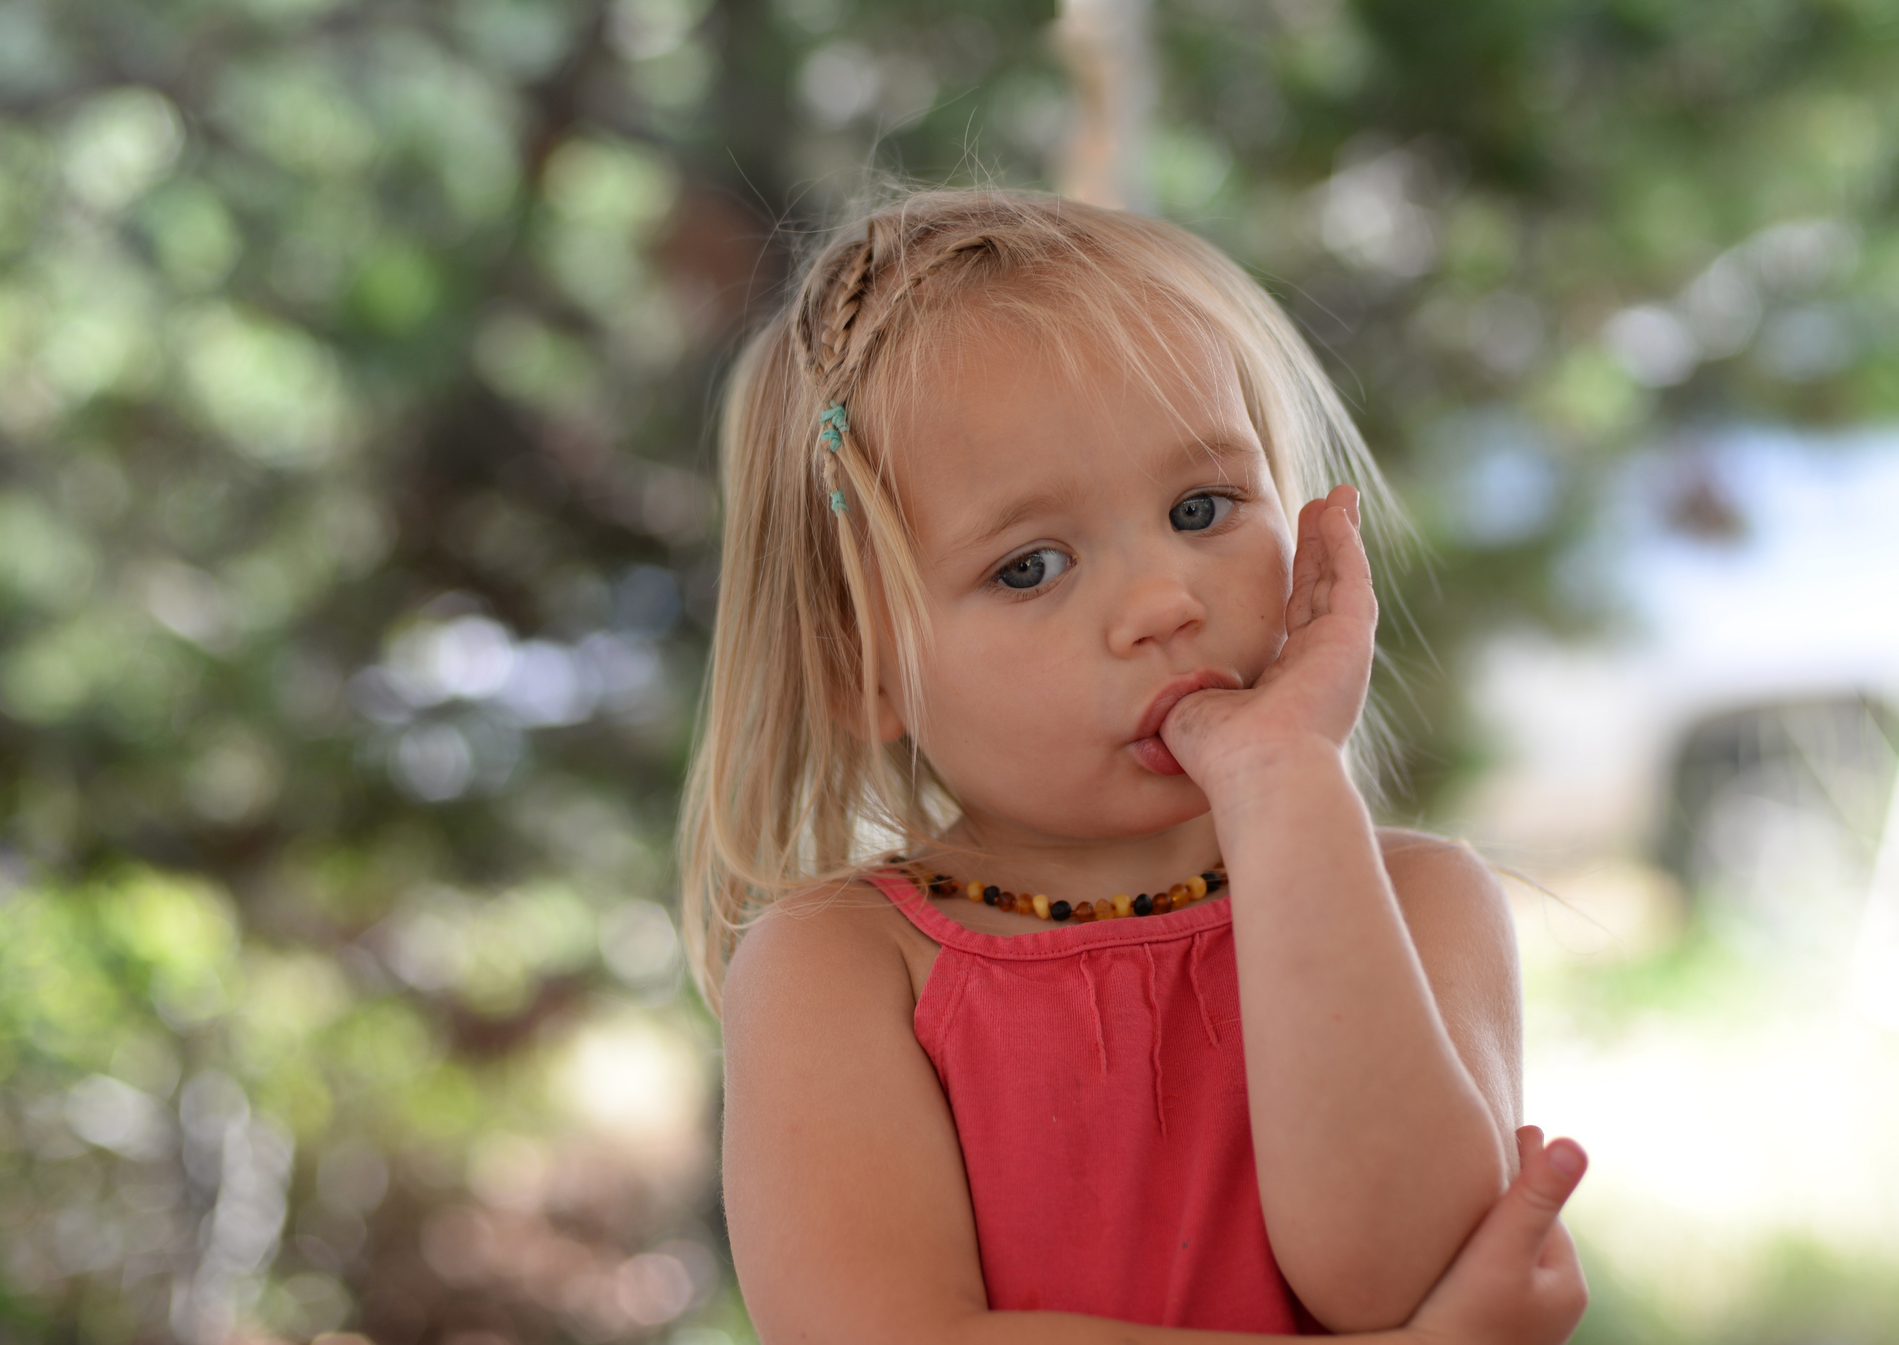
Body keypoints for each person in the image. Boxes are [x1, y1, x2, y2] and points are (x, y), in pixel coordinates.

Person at [678, 190, 1588, 1342]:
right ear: (862, 668)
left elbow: (1389, 1278)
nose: (1164, 603)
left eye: (1202, 506)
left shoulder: (1417, 906)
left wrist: (1284, 786)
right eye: (1030, 566)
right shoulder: (841, 966)